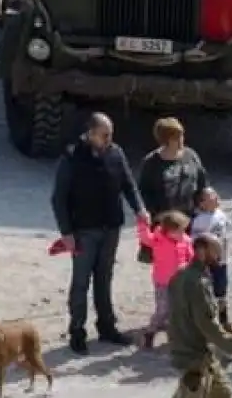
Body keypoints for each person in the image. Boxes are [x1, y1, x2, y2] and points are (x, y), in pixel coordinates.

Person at [52, 111, 147, 354]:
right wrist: (66, 232)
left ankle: (107, 327)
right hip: (84, 230)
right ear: (91, 133)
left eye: (110, 135)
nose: (109, 140)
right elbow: (58, 198)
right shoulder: (72, 156)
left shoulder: (115, 152)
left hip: (110, 227)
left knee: (104, 279)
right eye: (104, 135)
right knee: (81, 282)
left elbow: (128, 184)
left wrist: (139, 209)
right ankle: (77, 331)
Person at [166, 235, 232, 398]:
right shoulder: (199, 282)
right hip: (195, 358)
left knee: (226, 394)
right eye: (215, 251)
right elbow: (207, 324)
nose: (218, 257)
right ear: (202, 251)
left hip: (194, 353)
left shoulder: (180, 274)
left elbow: (184, 309)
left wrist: (214, 305)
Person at [137, 117, 209, 262]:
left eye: (182, 135)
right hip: (166, 227)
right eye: (178, 136)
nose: (182, 139)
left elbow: (202, 183)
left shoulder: (191, 156)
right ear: (166, 139)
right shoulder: (151, 163)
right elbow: (144, 195)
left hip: (190, 223)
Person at [137, 210, 196, 350]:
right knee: (162, 309)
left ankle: (178, 336)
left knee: (181, 309)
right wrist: (142, 223)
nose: (182, 234)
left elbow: (191, 257)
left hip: (180, 282)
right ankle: (150, 332)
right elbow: (145, 237)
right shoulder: (158, 240)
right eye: (179, 231)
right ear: (168, 230)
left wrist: (190, 268)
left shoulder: (186, 240)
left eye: (183, 230)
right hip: (162, 282)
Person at [189, 188, 232, 329]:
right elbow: (195, 241)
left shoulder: (221, 214)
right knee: (207, 292)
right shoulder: (199, 221)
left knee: (221, 292)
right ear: (201, 204)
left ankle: (224, 320)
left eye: (216, 194)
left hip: (222, 260)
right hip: (208, 263)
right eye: (210, 197)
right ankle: (207, 323)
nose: (216, 198)